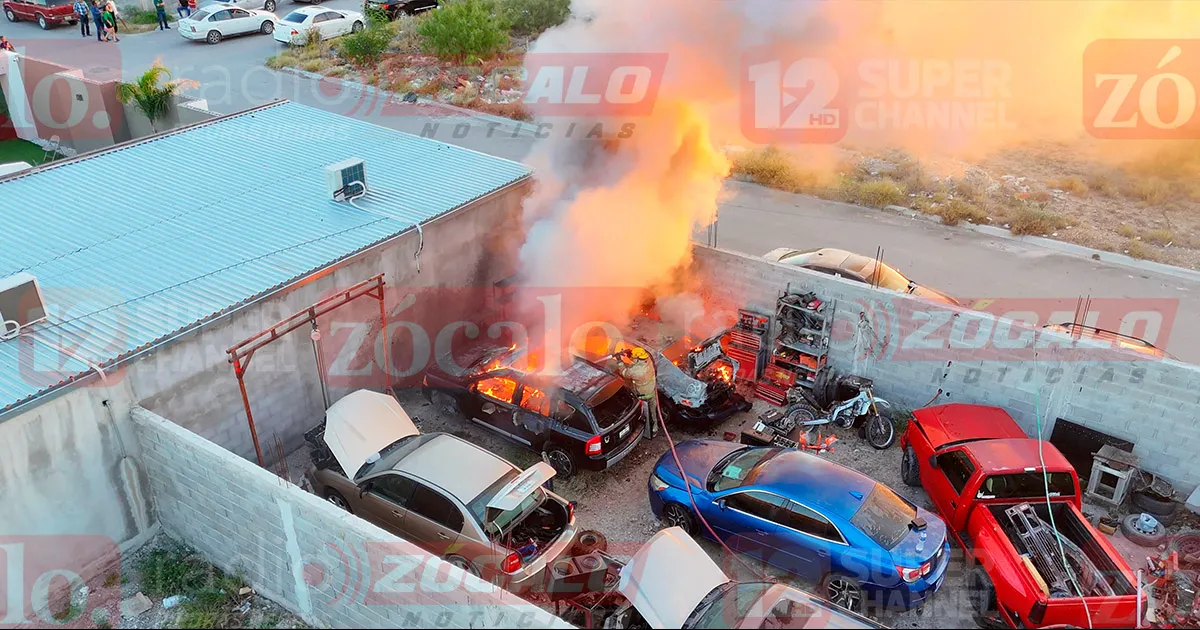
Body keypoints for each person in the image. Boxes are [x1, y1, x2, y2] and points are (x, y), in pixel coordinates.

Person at [606, 347, 661, 440]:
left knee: (642, 413)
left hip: (642, 396)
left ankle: (645, 430)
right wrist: (629, 354)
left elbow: (624, 372)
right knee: (653, 412)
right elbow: (634, 364)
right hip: (651, 392)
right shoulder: (648, 361)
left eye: (633, 358)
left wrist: (619, 361)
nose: (632, 359)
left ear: (637, 359)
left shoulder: (637, 371)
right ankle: (654, 428)